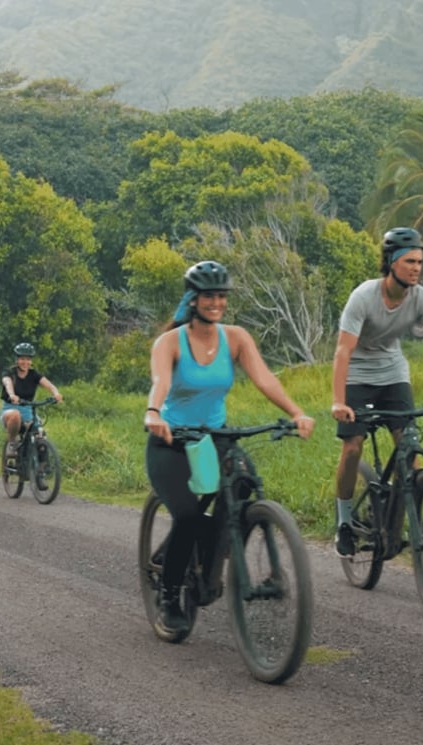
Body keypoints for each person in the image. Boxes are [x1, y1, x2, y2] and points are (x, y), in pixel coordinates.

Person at [143, 260, 315, 638]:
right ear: (193, 299)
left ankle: (211, 559)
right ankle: (170, 596)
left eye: (221, 296)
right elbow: (160, 380)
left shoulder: (235, 337)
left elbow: (264, 378)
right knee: (188, 516)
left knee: (242, 485)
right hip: (171, 441)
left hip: (213, 439)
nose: (216, 302)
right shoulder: (170, 342)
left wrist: (296, 412)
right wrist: (154, 412)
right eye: (208, 295)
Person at [330, 227, 423, 558]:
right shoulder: (364, 297)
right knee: (353, 446)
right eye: (409, 261)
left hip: (393, 375)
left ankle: (407, 519)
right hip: (357, 376)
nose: (416, 268)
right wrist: (339, 401)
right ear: (391, 263)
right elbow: (343, 351)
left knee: (409, 453)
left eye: (420, 262)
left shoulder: (422, 298)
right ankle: (343, 522)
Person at [0, 342, 63, 464]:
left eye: (28, 359)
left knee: (41, 434)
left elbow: (49, 385)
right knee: (15, 415)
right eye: (22, 359)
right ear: (17, 360)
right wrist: (12, 395)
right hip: (10, 410)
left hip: (28, 410)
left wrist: (56, 394)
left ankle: (41, 470)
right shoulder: (9, 373)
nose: (25, 362)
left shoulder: (34, 374)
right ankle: (12, 442)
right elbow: (7, 383)